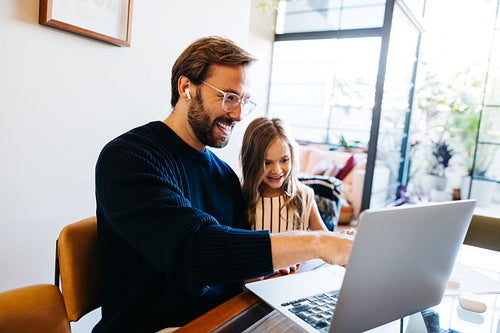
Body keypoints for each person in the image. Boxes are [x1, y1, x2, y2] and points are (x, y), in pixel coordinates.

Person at [94, 36, 353, 333]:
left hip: (224, 318)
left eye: (243, 101)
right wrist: (318, 243)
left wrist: (263, 271)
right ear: (186, 88)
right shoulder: (129, 158)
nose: (239, 115)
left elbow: (231, 262)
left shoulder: (224, 176)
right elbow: (195, 252)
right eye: (229, 97)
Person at [241, 117, 328, 233]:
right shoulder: (240, 197)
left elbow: (324, 239)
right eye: (267, 163)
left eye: (284, 160)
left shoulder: (305, 196)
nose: (276, 170)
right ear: (251, 162)